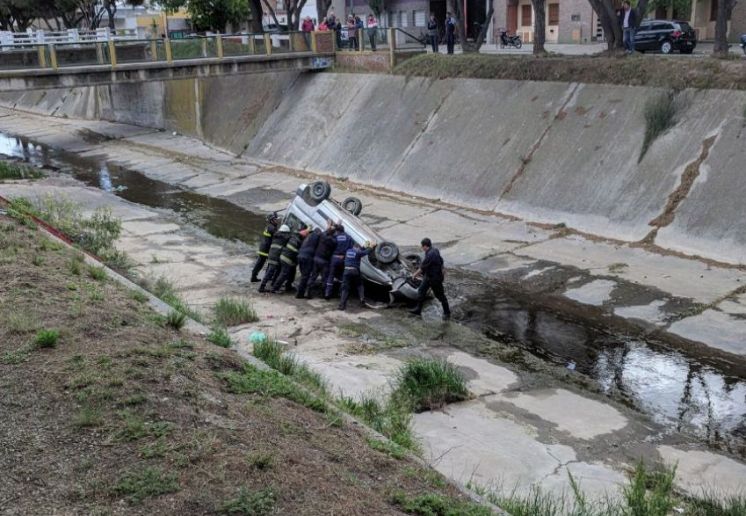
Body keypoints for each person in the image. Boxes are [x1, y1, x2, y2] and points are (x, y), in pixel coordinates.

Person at [409, 238, 451, 320]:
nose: (422, 248)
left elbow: (422, 268)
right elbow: (441, 260)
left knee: (440, 296)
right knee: (421, 291)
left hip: (435, 279)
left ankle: (447, 313)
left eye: (422, 246)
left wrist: (414, 275)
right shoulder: (435, 250)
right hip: (428, 277)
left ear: (425, 246)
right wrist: (443, 269)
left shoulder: (430, 255)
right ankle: (418, 309)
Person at [339, 241, 376, 311]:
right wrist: (371, 247)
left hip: (346, 271)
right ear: (357, 248)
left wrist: (363, 247)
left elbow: (358, 251)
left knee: (345, 288)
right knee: (360, 285)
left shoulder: (348, 251)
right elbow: (364, 252)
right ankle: (362, 299)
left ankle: (342, 305)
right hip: (355, 271)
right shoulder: (358, 252)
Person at [304, 222, 336, 299]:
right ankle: (323, 294)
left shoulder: (322, 236)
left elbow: (325, 232)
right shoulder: (333, 241)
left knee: (313, 276)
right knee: (324, 278)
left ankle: (307, 292)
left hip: (316, 259)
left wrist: (328, 225)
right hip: (324, 262)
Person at [271, 226, 306, 293]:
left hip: (286, 258)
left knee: (292, 272)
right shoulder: (297, 240)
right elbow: (294, 250)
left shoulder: (293, 237)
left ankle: (288, 286)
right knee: (284, 274)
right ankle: (275, 289)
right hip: (287, 259)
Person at [259, 224, 290, 293]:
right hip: (275, 256)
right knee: (270, 272)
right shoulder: (284, 236)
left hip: (271, 255)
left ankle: (273, 283)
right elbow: (289, 237)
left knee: (275, 270)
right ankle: (261, 287)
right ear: (285, 232)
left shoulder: (276, 235)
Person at [324, 223, 353, 299]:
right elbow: (350, 249)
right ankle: (341, 293)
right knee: (343, 276)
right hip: (343, 259)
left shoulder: (335, 237)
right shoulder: (349, 237)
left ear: (337, 231)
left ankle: (327, 293)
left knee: (331, 275)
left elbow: (330, 246)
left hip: (334, 258)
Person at [295, 226, 322, 298]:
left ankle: (301, 292)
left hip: (300, 256)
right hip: (307, 257)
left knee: (303, 275)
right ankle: (300, 294)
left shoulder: (309, 236)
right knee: (305, 276)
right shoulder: (317, 236)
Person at [250, 212, 279, 282]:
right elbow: (278, 235)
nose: (277, 221)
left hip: (264, 248)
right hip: (266, 249)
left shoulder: (269, 226)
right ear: (271, 220)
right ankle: (263, 277)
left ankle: (255, 277)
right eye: (275, 219)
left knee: (261, 263)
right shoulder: (272, 227)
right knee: (266, 263)